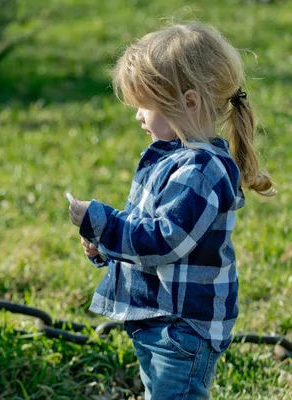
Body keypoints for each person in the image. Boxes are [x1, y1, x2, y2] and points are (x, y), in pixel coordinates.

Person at [68, 22, 276, 399]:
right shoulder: (177, 158)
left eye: (145, 105)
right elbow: (148, 228)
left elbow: (164, 240)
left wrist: (101, 223)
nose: (138, 116)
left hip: (182, 326)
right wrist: (104, 247)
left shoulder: (200, 170)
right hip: (158, 318)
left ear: (189, 102)